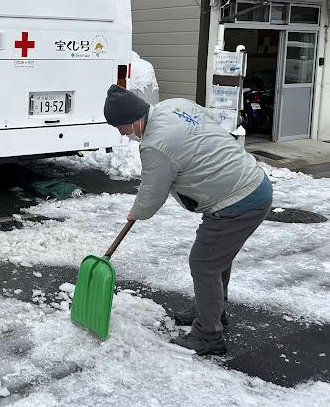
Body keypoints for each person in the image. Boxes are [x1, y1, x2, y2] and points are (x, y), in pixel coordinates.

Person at [103, 84, 271, 356]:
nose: (121, 133)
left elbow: (152, 192)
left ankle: (208, 335)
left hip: (237, 201)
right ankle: (212, 311)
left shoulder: (155, 143)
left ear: (133, 119)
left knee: (204, 263)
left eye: (120, 127)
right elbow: (209, 125)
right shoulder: (176, 105)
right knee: (216, 256)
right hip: (251, 183)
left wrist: (137, 212)